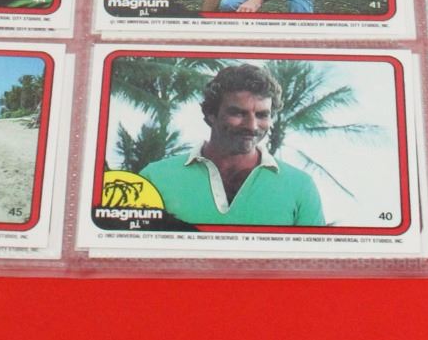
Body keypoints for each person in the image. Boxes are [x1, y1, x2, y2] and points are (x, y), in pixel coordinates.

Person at [139, 63, 325, 227]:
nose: (252, 126)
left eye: (262, 115)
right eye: (238, 113)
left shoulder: (300, 186)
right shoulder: (154, 177)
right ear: (211, 114)